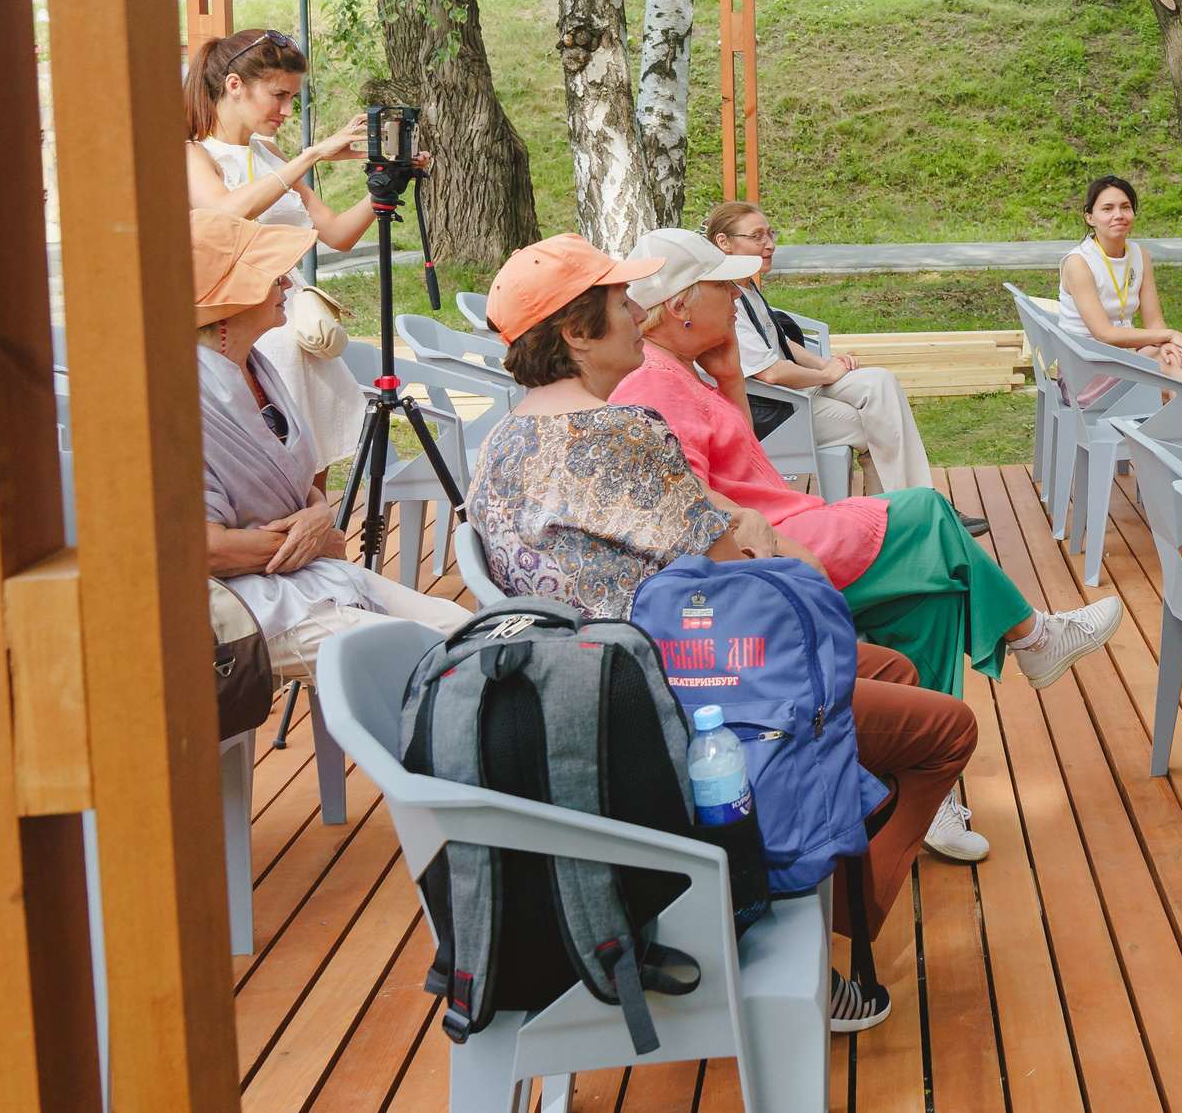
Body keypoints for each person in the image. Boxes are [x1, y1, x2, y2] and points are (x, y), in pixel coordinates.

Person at [464, 233, 983, 1033]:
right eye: (620, 300)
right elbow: (746, 555)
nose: (639, 311)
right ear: (574, 333)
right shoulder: (620, 435)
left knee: (892, 669)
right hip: (688, 704)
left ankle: (827, 883)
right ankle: (827, 933)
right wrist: (767, 537)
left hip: (587, 698)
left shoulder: (497, 445)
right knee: (949, 729)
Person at [611, 227, 1125, 867]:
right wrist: (767, 544)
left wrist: (729, 380)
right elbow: (687, 500)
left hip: (786, 527)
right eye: (723, 283)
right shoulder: (651, 385)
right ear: (681, 304)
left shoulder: (681, 371)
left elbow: (738, 464)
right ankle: (1032, 637)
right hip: (769, 557)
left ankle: (930, 797)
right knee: (926, 513)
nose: (738, 293)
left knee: (932, 600)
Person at [192, 209, 469, 680]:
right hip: (236, 603)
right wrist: (314, 541)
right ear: (230, 300)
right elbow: (202, 550)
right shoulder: (183, 398)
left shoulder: (257, 365)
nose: (288, 286)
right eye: (274, 276)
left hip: (299, 573)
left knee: (465, 627)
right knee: (431, 658)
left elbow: (297, 484)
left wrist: (319, 515)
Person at [182, 27, 403, 464]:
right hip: (245, 328)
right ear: (234, 86)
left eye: (293, 99)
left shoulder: (272, 155)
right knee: (269, 467)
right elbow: (227, 213)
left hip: (297, 322)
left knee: (314, 464)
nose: (286, 110)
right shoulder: (193, 154)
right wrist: (313, 154)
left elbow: (337, 235)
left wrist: (388, 184)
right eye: (279, 95)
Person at [700, 201, 958, 521]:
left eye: (770, 234)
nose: (769, 244)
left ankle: (908, 506)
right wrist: (827, 377)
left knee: (881, 382)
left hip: (797, 391)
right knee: (878, 424)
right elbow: (770, 372)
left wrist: (825, 364)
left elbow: (781, 343)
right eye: (757, 236)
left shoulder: (745, 283)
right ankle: (909, 511)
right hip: (775, 408)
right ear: (724, 242)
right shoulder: (722, 295)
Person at [1059, 175, 1182, 426]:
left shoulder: (1139, 255)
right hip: (1088, 369)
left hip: (1125, 359)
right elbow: (1104, 334)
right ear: (1090, 218)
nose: (1118, 214)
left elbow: (1154, 322)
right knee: (1178, 376)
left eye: (1125, 207)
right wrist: (1169, 336)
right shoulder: (1079, 263)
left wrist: (1167, 343)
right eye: (1107, 209)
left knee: (1181, 362)